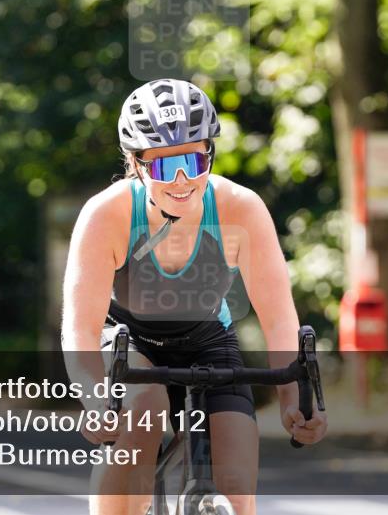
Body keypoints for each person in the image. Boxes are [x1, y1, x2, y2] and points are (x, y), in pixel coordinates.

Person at [61, 79, 327, 515]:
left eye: (194, 161)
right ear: (136, 164)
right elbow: (80, 327)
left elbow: (279, 318)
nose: (182, 180)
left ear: (210, 154)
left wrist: (293, 402)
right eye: (164, 167)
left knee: (237, 488)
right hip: (129, 340)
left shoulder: (241, 208)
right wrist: (93, 397)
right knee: (143, 407)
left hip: (208, 340)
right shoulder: (106, 215)